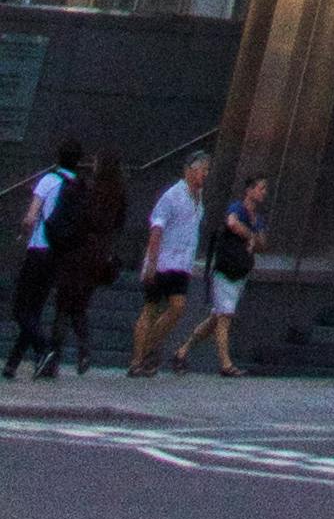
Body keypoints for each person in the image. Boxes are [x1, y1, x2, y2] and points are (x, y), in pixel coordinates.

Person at [130, 145, 211, 378]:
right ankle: (138, 358)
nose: (204, 174)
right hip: (164, 260)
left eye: (206, 170)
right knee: (151, 308)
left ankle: (148, 349)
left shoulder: (199, 197)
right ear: (189, 170)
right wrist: (152, 263)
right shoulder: (172, 196)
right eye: (202, 170)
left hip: (182, 263)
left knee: (177, 308)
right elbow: (157, 229)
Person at [44, 156, 130, 374]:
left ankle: (53, 358)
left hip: (78, 253)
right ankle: (83, 351)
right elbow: (119, 225)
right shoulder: (119, 195)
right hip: (99, 257)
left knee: (63, 306)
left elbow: (79, 219)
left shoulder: (87, 190)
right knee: (80, 305)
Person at [195, 173, 266, 375]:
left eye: (264, 189)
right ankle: (226, 364)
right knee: (225, 316)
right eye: (260, 188)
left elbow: (262, 244)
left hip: (240, 270)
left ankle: (183, 351)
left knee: (216, 318)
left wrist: (254, 238)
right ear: (249, 190)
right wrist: (250, 236)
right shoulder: (237, 208)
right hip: (226, 269)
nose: (263, 193)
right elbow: (232, 223)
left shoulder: (257, 218)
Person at [10, 149, 71, 379]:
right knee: (34, 310)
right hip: (59, 255)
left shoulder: (49, 179)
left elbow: (30, 216)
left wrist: (24, 230)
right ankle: (12, 364)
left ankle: (44, 348)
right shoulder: (78, 185)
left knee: (20, 309)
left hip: (39, 250)